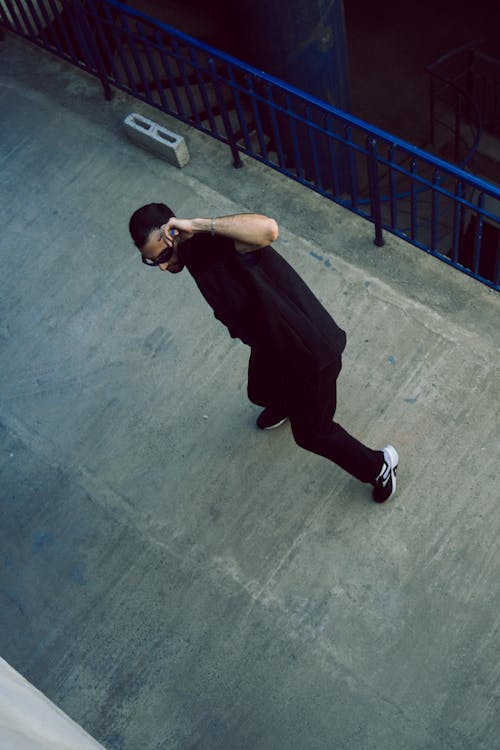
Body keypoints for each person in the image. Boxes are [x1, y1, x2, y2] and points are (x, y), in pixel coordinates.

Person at [128, 203, 399, 503]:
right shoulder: (191, 258)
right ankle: (289, 402)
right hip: (271, 347)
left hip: (309, 351)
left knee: (311, 434)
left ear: (176, 233)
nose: (163, 267)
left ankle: (379, 466)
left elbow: (268, 229)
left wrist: (201, 224)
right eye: (152, 262)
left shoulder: (219, 242)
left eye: (164, 256)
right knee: (260, 392)